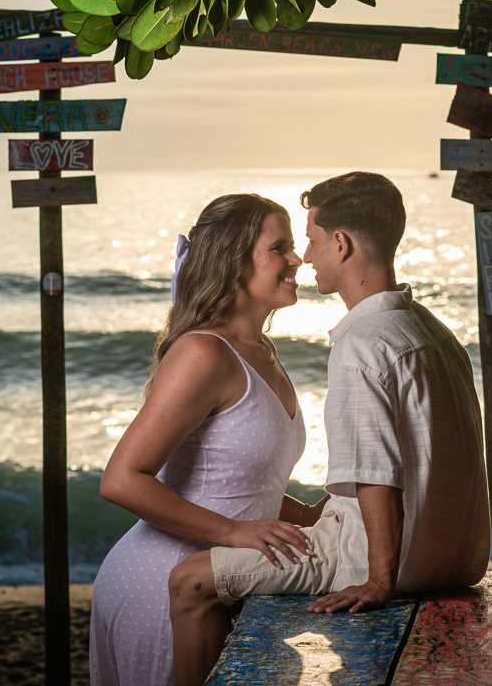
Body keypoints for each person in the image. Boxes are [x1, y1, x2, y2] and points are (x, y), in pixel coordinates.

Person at [169, 172, 491, 685]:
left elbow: (375, 474)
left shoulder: (361, 343)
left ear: (341, 244)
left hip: (377, 558)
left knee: (189, 582)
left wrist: (378, 580)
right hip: (457, 558)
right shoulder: (433, 330)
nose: (306, 257)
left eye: (313, 241)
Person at [89, 194, 328, 686]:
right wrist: (236, 533)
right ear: (234, 262)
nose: (296, 258)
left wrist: (310, 516)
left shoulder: (261, 349)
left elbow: (237, 481)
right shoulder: (202, 352)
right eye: (278, 247)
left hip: (221, 577)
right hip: (163, 584)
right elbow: (121, 481)